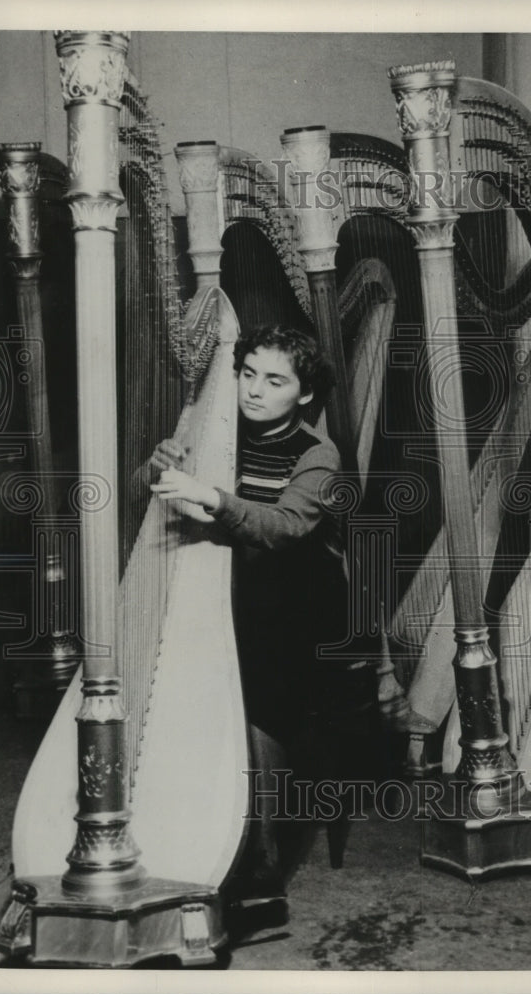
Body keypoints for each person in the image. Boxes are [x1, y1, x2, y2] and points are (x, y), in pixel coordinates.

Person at [149, 324, 357, 914]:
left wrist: (212, 497)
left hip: (299, 605)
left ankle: (259, 864)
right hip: (229, 586)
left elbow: (286, 527)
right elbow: (160, 491)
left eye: (275, 380)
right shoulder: (214, 429)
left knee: (256, 684)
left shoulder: (318, 453)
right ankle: (190, 834)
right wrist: (159, 465)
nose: (255, 391)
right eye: (247, 374)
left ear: (305, 394)